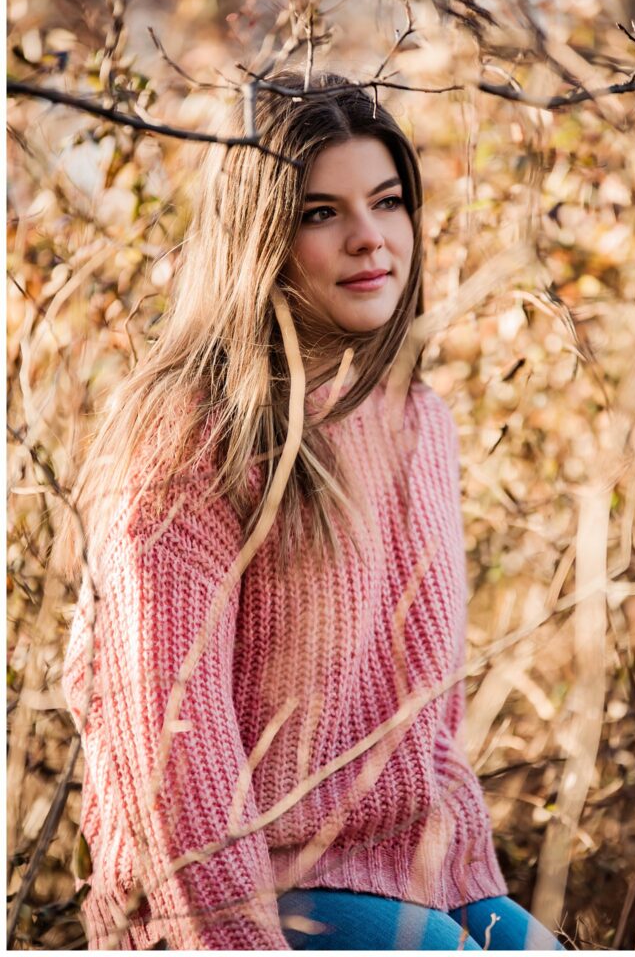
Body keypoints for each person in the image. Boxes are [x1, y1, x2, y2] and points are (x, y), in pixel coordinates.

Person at [60, 69, 564, 950]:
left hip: (412, 879)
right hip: (240, 892)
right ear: (262, 237)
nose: (372, 240)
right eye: (322, 213)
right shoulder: (193, 433)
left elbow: (427, 725)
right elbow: (164, 744)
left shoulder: (417, 420)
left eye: (389, 202)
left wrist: (475, 899)